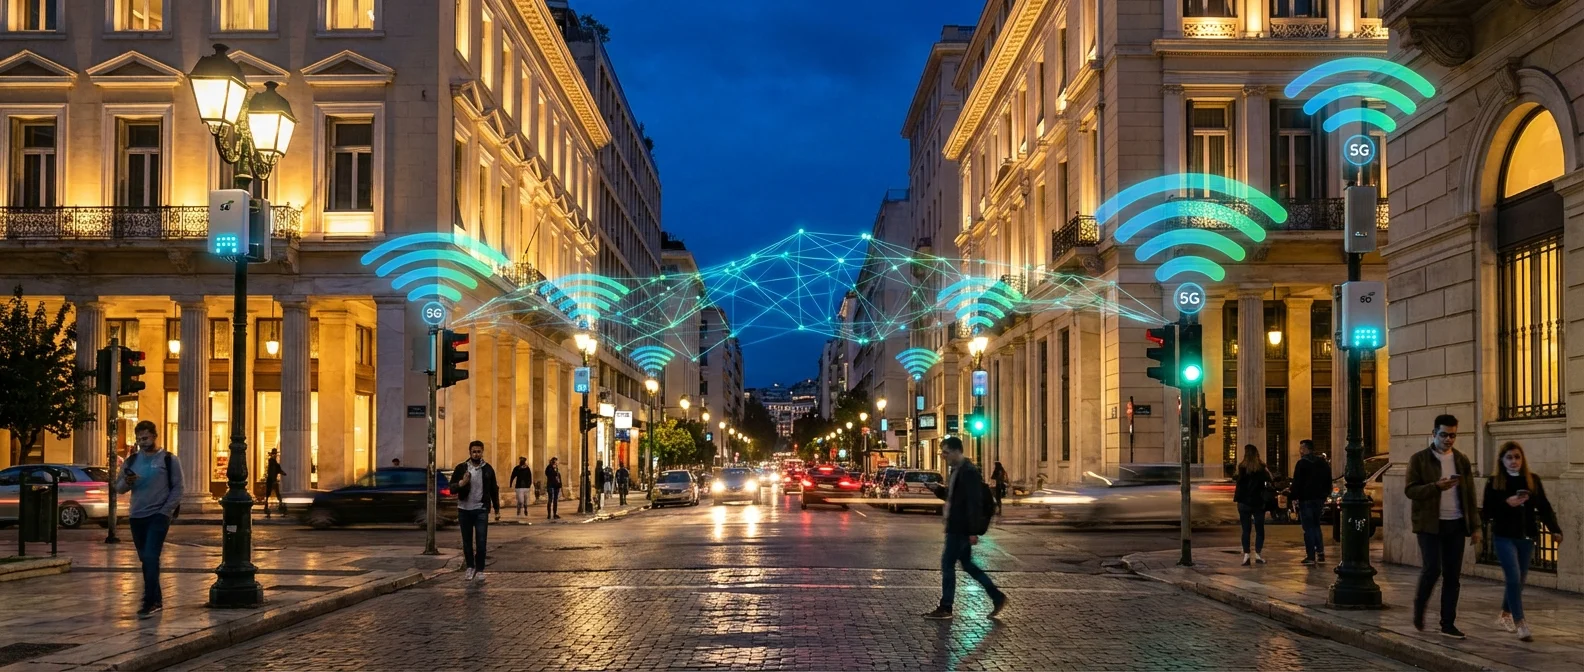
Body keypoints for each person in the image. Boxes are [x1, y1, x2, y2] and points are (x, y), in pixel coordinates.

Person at [1405, 414, 1481, 638]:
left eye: (1453, 435)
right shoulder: (1419, 459)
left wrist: (1475, 526)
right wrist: (1436, 487)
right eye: (1444, 435)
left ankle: (1448, 623)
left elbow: (1470, 494)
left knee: (1452, 576)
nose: (1448, 439)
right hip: (1429, 525)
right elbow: (1410, 490)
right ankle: (1419, 608)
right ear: (1434, 434)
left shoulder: (1461, 460)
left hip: (1456, 523)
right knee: (1432, 570)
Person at [920, 436, 1008, 621]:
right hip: (956, 526)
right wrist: (937, 489)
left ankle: (946, 607)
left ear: (956, 451)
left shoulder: (968, 472)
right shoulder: (957, 471)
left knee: (947, 564)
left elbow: (973, 503)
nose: (943, 456)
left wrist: (972, 531)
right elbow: (955, 498)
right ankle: (997, 597)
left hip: (960, 528)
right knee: (968, 565)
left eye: (945, 452)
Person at [1482, 442, 1561, 642]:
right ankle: (1520, 623)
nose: (1514, 461)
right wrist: (1506, 503)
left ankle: (1505, 615)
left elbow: (1544, 507)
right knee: (1514, 577)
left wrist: (1555, 529)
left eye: (1517, 457)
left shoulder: (1532, 480)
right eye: (1509, 457)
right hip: (1504, 537)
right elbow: (1487, 511)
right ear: (1502, 460)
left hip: (1527, 537)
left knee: (1518, 581)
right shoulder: (1495, 482)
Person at [114, 421, 184, 619]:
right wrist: (126, 482)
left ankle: (149, 600)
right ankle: (156, 598)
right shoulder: (132, 460)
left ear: (155, 435)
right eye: (138, 439)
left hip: (158, 515)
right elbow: (118, 488)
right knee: (146, 559)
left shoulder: (169, 460)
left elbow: (178, 488)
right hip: (137, 515)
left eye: (145, 438)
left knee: (151, 556)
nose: (142, 443)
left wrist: (166, 511)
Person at [450, 441, 500, 581]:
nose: (476, 454)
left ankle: (480, 570)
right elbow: (452, 488)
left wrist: (496, 509)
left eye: (479, 451)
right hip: (464, 510)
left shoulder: (488, 469)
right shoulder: (461, 468)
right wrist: (462, 483)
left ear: (482, 452)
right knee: (467, 541)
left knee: (481, 541)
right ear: (470, 452)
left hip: (481, 510)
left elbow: (493, 490)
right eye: (474, 451)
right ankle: (470, 567)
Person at [1289, 439, 1332, 565]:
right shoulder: (1322, 463)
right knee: (1316, 525)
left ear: (1306, 449)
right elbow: (1328, 481)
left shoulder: (1302, 463)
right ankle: (1320, 552)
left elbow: (1297, 483)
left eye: (1301, 448)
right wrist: (1324, 495)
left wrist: (1293, 496)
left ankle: (1310, 556)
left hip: (1306, 499)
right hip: (1319, 499)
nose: (1300, 451)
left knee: (1308, 528)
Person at [1233, 444, 1271, 566]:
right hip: (1258, 502)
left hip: (1244, 502)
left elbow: (1237, 481)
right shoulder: (1261, 468)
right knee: (1259, 528)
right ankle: (1258, 554)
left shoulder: (1241, 467)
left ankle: (1246, 555)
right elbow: (1270, 479)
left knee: (1246, 530)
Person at [263, 448, 285, 517]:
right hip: (271, 480)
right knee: (270, 493)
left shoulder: (273, 462)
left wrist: (282, 472)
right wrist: (273, 480)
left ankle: (278, 506)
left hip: (271, 480)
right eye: (273, 454)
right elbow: (273, 471)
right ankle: (269, 507)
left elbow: (278, 469)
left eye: (275, 454)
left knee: (271, 493)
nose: (274, 455)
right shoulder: (272, 462)